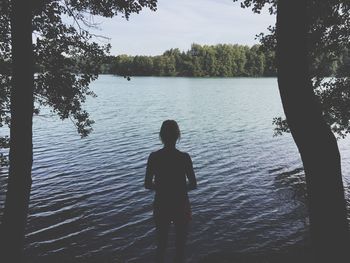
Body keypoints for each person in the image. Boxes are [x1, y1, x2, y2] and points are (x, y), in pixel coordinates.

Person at [145, 120, 197, 263]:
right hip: (181, 204)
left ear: (161, 136)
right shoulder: (184, 157)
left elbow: (147, 184)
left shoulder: (154, 157)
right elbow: (193, 184)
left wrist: (162, 188)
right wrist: (179, 188)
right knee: (180, 246)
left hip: (161, 203)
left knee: (161, 245)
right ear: (178, 136)